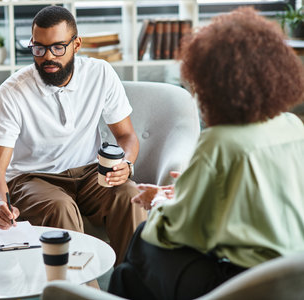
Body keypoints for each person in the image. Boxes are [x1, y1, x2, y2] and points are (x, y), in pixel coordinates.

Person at [108, 7, 304, 299]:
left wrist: (160, 203)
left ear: (215, 85)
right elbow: (260, 199)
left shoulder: (218, 142)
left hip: (242, 280)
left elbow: (178, 231)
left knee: (141, 246)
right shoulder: (292, 127)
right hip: (292, 273)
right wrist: (186, 192)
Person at [0, 6, 146, 265]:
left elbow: (127, 136)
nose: (48, 57)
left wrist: (126, 163)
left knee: (129, 196)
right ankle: (79, 292)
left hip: (90, 173)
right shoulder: (12, 91)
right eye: (39, 48)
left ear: (77, 44)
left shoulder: (100, 74)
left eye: (58, 47)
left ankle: (131, 285)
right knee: (60, 206)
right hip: (33, 178)